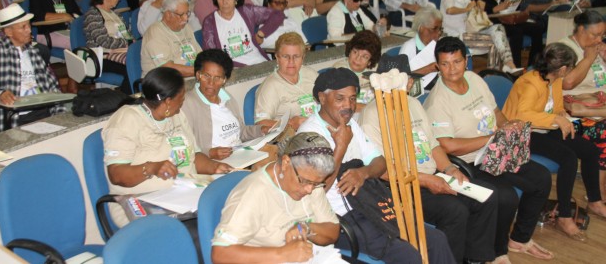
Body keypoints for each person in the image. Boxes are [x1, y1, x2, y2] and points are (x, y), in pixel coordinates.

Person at [297, 68, 455, 264]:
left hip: (370, 204)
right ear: (322, 98)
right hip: (341, 218)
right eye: (340, 99)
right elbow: (317, 190)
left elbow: (380, 162)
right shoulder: (309, 135)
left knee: (437, 240)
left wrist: (363, 173)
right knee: (409, 256)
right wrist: (341, 146)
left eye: (353, 99)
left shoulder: (350, 124)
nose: (348, 105)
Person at [424, 36, 554, 262]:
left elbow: (496, 112)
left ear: (467, 61)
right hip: (472, 160)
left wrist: (507, 126)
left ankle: (519, 239)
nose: (451, 69)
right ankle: (497, 252)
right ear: (437, 66)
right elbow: (447, 145)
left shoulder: (474, 79)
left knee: (540, 178)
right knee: (506, 197)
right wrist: (491, 138)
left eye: (456, 62)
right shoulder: (438, 100)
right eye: (444, 64)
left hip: (497, 149)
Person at [359, 77, 498, 263]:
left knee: (486, 198)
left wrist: (449, 168)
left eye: (406, 80)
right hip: (399, 185)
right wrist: (426, 180)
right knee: (455, 211)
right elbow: (381, 170)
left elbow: (432, 145)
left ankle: (474, 259)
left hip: (432, 174)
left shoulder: (413, 103)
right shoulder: (371, 116)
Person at [102, 67, 232, 227]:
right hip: (141, 203)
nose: (184, 100)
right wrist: (152, 168)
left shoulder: (177, 116)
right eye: (182, 97)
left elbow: (194, 156)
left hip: (184, 195)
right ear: (168, 101)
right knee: (203, 232)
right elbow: (117, 174)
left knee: (230, 212)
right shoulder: (126, 120)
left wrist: (214, 167)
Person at [503, 42, 606, 241]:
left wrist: (560, 116)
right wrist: (556, 119)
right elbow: (523, 115)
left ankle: (594, 200)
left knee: (590, 150)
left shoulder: (554, 79)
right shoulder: (530, 83)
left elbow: (556, 106)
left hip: (544, 127)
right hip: (521, 132)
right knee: (567, 158)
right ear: (563, 69)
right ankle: (564, 216)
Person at [210, 132, 340, 264]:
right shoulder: (253, 193)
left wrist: (306, 228)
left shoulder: (312, 181)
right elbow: (220, 254)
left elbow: (333, 231)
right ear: (285, 163)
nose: (310, 190)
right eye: (304, 181)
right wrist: (283, 254)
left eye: (317, 183)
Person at [0, 3, 64, 135]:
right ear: (8, 32)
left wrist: (60, 110)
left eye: (29, 25)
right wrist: (0, 93)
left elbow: (51, 84)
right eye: (23, 27)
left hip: (42, 109)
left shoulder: (33, 51)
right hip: (16, 115)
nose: (29, 30)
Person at [183, 49, 275, 159]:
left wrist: (262, 130)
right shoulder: (187, 103)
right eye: (206, 76)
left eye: (218, 78)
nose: (211, 83)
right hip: (212, 162)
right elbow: (184, 146)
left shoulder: (226, 98)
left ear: (224, 80)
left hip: (239, 153)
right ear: (198, 75)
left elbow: (241, 131)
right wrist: (210, 153)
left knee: (273, 151)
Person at [441, 0, 521, 74]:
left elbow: (474, 18)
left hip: (469, 34)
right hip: (454, 36)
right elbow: (450, 10)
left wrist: (479, 8)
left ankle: (508, 63)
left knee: (498, 29)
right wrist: (467, 9)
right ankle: (494, 73)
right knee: (495, 43)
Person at [472, 0, 545, 67]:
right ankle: (515, 67)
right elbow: (482, 11)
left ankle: (533, 65)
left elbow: (511, 4)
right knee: (517, 31)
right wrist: (496, 8)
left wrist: (515, 2)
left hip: (509, 19)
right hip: (494, 23)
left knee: (538, 28)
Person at [202, 0, 284, 66]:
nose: (224, 2)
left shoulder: (247, 11)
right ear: (216, 0)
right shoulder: (210, 22)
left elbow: (277, 15)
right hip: (234, 69)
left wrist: (261, 33)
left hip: (259, 62)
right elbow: (210, 55)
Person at [254, 32, 318, 129]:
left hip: (318, 128)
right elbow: (260, 123)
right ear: (277, 57)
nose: (291, 61)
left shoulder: (311, 74)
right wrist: (291, 123)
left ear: (303, 57)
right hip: (292, 137)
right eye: (285, 56)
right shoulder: (271, 86)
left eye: (296, 56)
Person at [84, 0, 132, 93]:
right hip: (102, 57)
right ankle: (126, 101)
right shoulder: (93, 14)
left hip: (121, 53)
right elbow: (103, 41)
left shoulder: (116, 14)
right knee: (132, 67)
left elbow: (128, 34)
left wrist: (132, 42)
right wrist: (127, 43)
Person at [140, 0, 201, 78]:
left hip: (193, 77)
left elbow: (200, 55)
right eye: (181, 15)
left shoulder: (186, 27)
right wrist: (202, 72)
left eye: (187, 13)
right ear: (168, 14)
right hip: (167, 82)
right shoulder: (155, 32)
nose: (186, 18)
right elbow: (168, 69)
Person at [333, 31, 381, 109]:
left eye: (364, 57)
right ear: (349, 51)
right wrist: (369, 109)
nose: (357, 59)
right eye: (355, 52)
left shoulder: (377, 71)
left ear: (370, 62)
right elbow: (342, 104)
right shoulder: (338, 70)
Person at [399, 7, 443, 91]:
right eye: (434, 29)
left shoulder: (439, 45)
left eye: (440, 29)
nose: (438, 33)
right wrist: (429, 69)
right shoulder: (409, 47)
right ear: (422, 28)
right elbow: (400, 79)